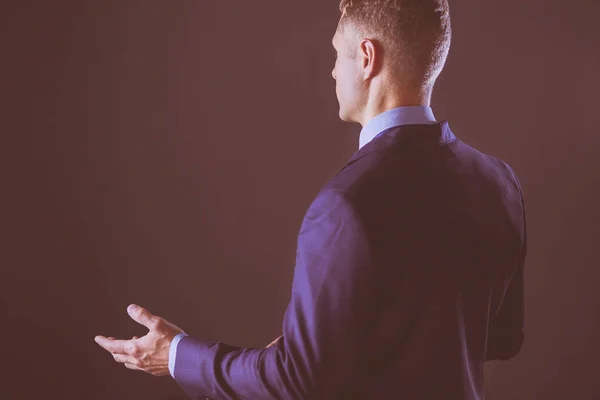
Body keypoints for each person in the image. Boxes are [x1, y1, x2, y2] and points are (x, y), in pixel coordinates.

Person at [95, 0, 527, 399]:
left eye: (337, 54)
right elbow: (500, 338)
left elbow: (297, 379)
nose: (333, 73)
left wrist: (175, 355)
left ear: (366, 57)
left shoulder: (347, 203)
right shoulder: (498, 182)